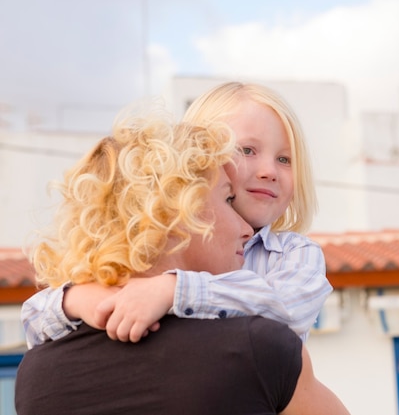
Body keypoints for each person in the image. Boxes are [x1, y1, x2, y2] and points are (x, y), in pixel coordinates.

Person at [15, 107, 350, 415]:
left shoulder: (35, 374)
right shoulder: (258, 348)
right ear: (175, 214)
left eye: (284, 159)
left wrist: (79, 297)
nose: (247, 229)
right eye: (227, 198)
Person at [21, 81, 331, 346]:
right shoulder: (157, 237)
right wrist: (80, 299)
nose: (269, 171)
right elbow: (34, 317)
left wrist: (174, 290)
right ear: (199, 155)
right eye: (248, 150)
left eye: (285, 159)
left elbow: (292, 305)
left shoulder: (291, 253)